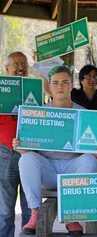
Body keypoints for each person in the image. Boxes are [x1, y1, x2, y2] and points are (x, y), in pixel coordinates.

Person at [13, 65, 97, 235]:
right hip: (47, 170)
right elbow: (29, 152)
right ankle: (35, 212)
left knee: (90, 160)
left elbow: (92, 152)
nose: (60, 86)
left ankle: (71, 215)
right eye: (55, 83)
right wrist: (21, 148)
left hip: (72, 170)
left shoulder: (84, 114)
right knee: (26, 159)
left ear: (71, 85)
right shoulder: (37, 114)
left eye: (65, 82)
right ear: (49, 86)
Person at [0, 51, 31, 237]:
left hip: (30, 154)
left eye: (24, 64)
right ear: (7, 68)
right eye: (16, 63)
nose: (20, 67)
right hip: (5, 153)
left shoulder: (34, 89)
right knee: (4, 210)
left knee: (30, 209)